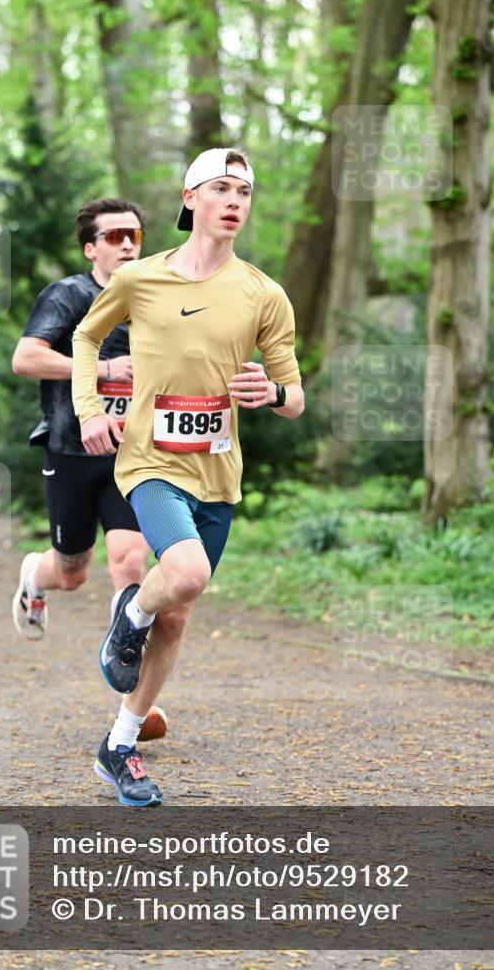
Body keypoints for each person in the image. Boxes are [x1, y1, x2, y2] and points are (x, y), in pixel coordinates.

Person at [72, 148, 305, 806]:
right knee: (186, 574)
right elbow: (87, 339)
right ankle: (128, 617)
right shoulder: (140, 279)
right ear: (190, 197)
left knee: (176, 618)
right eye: (222, 188)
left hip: (218, 472)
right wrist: (91, 410)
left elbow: (294, 395)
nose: (235, 201)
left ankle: (117, 747)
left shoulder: (263, 293)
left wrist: (274, 392)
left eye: (244, 192)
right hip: (149, 460)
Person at [11, 197, 178, 745]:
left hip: (131, 457)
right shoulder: (69, 296)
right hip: (71, 450)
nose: (127, 244)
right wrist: (103, 368)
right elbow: (26, 358)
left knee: (131, 563)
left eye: (134, 234)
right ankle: (36, 577)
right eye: (113, 237)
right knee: (73, 572)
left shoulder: (155, 297)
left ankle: (129, 704)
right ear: (91, 248)